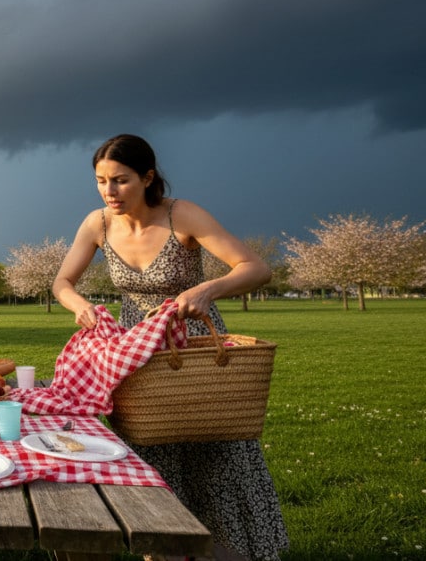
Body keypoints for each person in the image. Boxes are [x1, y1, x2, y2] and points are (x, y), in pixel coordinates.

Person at [52, 134, 289, 561]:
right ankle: (163, 550)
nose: (109, 191)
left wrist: (208, 289)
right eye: (101, 181)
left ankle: (231, 551)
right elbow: (62, 282)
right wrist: (79, 305)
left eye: (121, 180)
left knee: (215, 453)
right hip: (136, 354)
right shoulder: (97, 224)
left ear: (147, 178)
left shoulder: (183, 216)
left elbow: (257, 268)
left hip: (194, 349)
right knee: (150, 454)